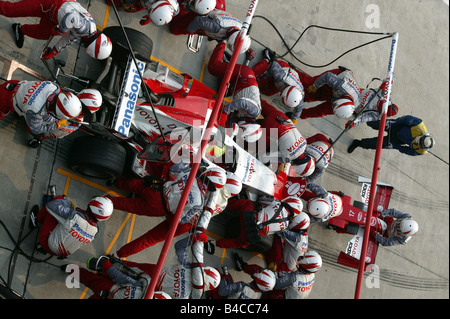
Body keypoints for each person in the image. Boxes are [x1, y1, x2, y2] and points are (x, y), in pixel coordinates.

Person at [107, 163, 227, 259]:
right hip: (160, 207)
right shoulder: (200, 202)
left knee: (134, 184)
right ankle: (117, 255)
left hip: (157, 188)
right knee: (146, 237)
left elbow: (173, 169)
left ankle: (113, 183)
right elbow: (182, 219)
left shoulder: (191, 173)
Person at [0, 0, 112, 60]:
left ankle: (19, 29)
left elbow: (68, 40)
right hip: (47, 3)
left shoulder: (87, 31)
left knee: (43, 34)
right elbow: (71, 17)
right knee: (8, 10)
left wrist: (53, 52)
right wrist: (60, 30)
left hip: (52, 15)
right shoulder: (86, 29)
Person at [76, 255, 220, 299]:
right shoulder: (186, 296)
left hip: (150, 276)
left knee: (124, 270)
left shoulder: (190, 267)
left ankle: (105, 266)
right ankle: (105, 267)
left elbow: (179, 250)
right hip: (148, 284)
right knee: (122, 274)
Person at [0, 80, 82, 147]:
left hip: (16, 84)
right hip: (4, 99)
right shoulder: (35, 112)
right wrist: (56, 125)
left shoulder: (54, 87)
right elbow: (37, 130)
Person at [208, 196, 303, 250]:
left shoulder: (277, 203)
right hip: (252, 234)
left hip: (249, 217)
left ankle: (220, 206)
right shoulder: (284, 227)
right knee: (240, 243)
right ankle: (213, 243)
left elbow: (260, 199)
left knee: (246, 203)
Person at [31, 196, 113, 258]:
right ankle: (41, 248)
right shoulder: (95, 231)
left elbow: (50, 206)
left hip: (46, 242)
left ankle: (35, 219)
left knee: (59, 201)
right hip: (59, 253)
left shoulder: (73, 216)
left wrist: (66, 202)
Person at [207, 41, 259, 121]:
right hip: (243, 75)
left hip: (239, 83)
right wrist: (225, 111)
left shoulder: (251, 116)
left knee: (221, 92)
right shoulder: (254, 111)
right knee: (213, 68)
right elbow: (242, 102)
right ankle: (222, 41)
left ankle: (227, 63)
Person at [252, 49, 305, 122]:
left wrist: (294, 119)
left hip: (286, 76)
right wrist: (264, 76)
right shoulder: (280, 76)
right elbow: (274, 65)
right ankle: (267, 59)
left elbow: (299, 109)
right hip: (281, 66)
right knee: (254, 75)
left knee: (267, 92)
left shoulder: (299, 95)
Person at [347, 115, 435, 156]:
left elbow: (407, 150)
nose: (418, 142)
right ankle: (357, 114)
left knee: (374, 144)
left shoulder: (421, 151)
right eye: (420, 140)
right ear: (423, 136)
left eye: (420, 144)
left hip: (396, 141)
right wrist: (391, 123)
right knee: (373, 123)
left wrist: (394, 146)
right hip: (395, 126)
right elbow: (405, 119)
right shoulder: (419, 125)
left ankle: (357, 143)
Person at [258, 100, 308, 166]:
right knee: (255, 144)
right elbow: (265, 156)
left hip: (281, 118)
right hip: (271, 127)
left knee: (259, 102)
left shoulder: (305, 143)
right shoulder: (287, 157)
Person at [208, 261, 276, 299]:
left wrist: (223, 279)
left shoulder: (241, 286)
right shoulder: (260, 295)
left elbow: (221, 292)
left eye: (259, 272)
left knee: (216, 273)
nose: (258, 271)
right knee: (228, 277)